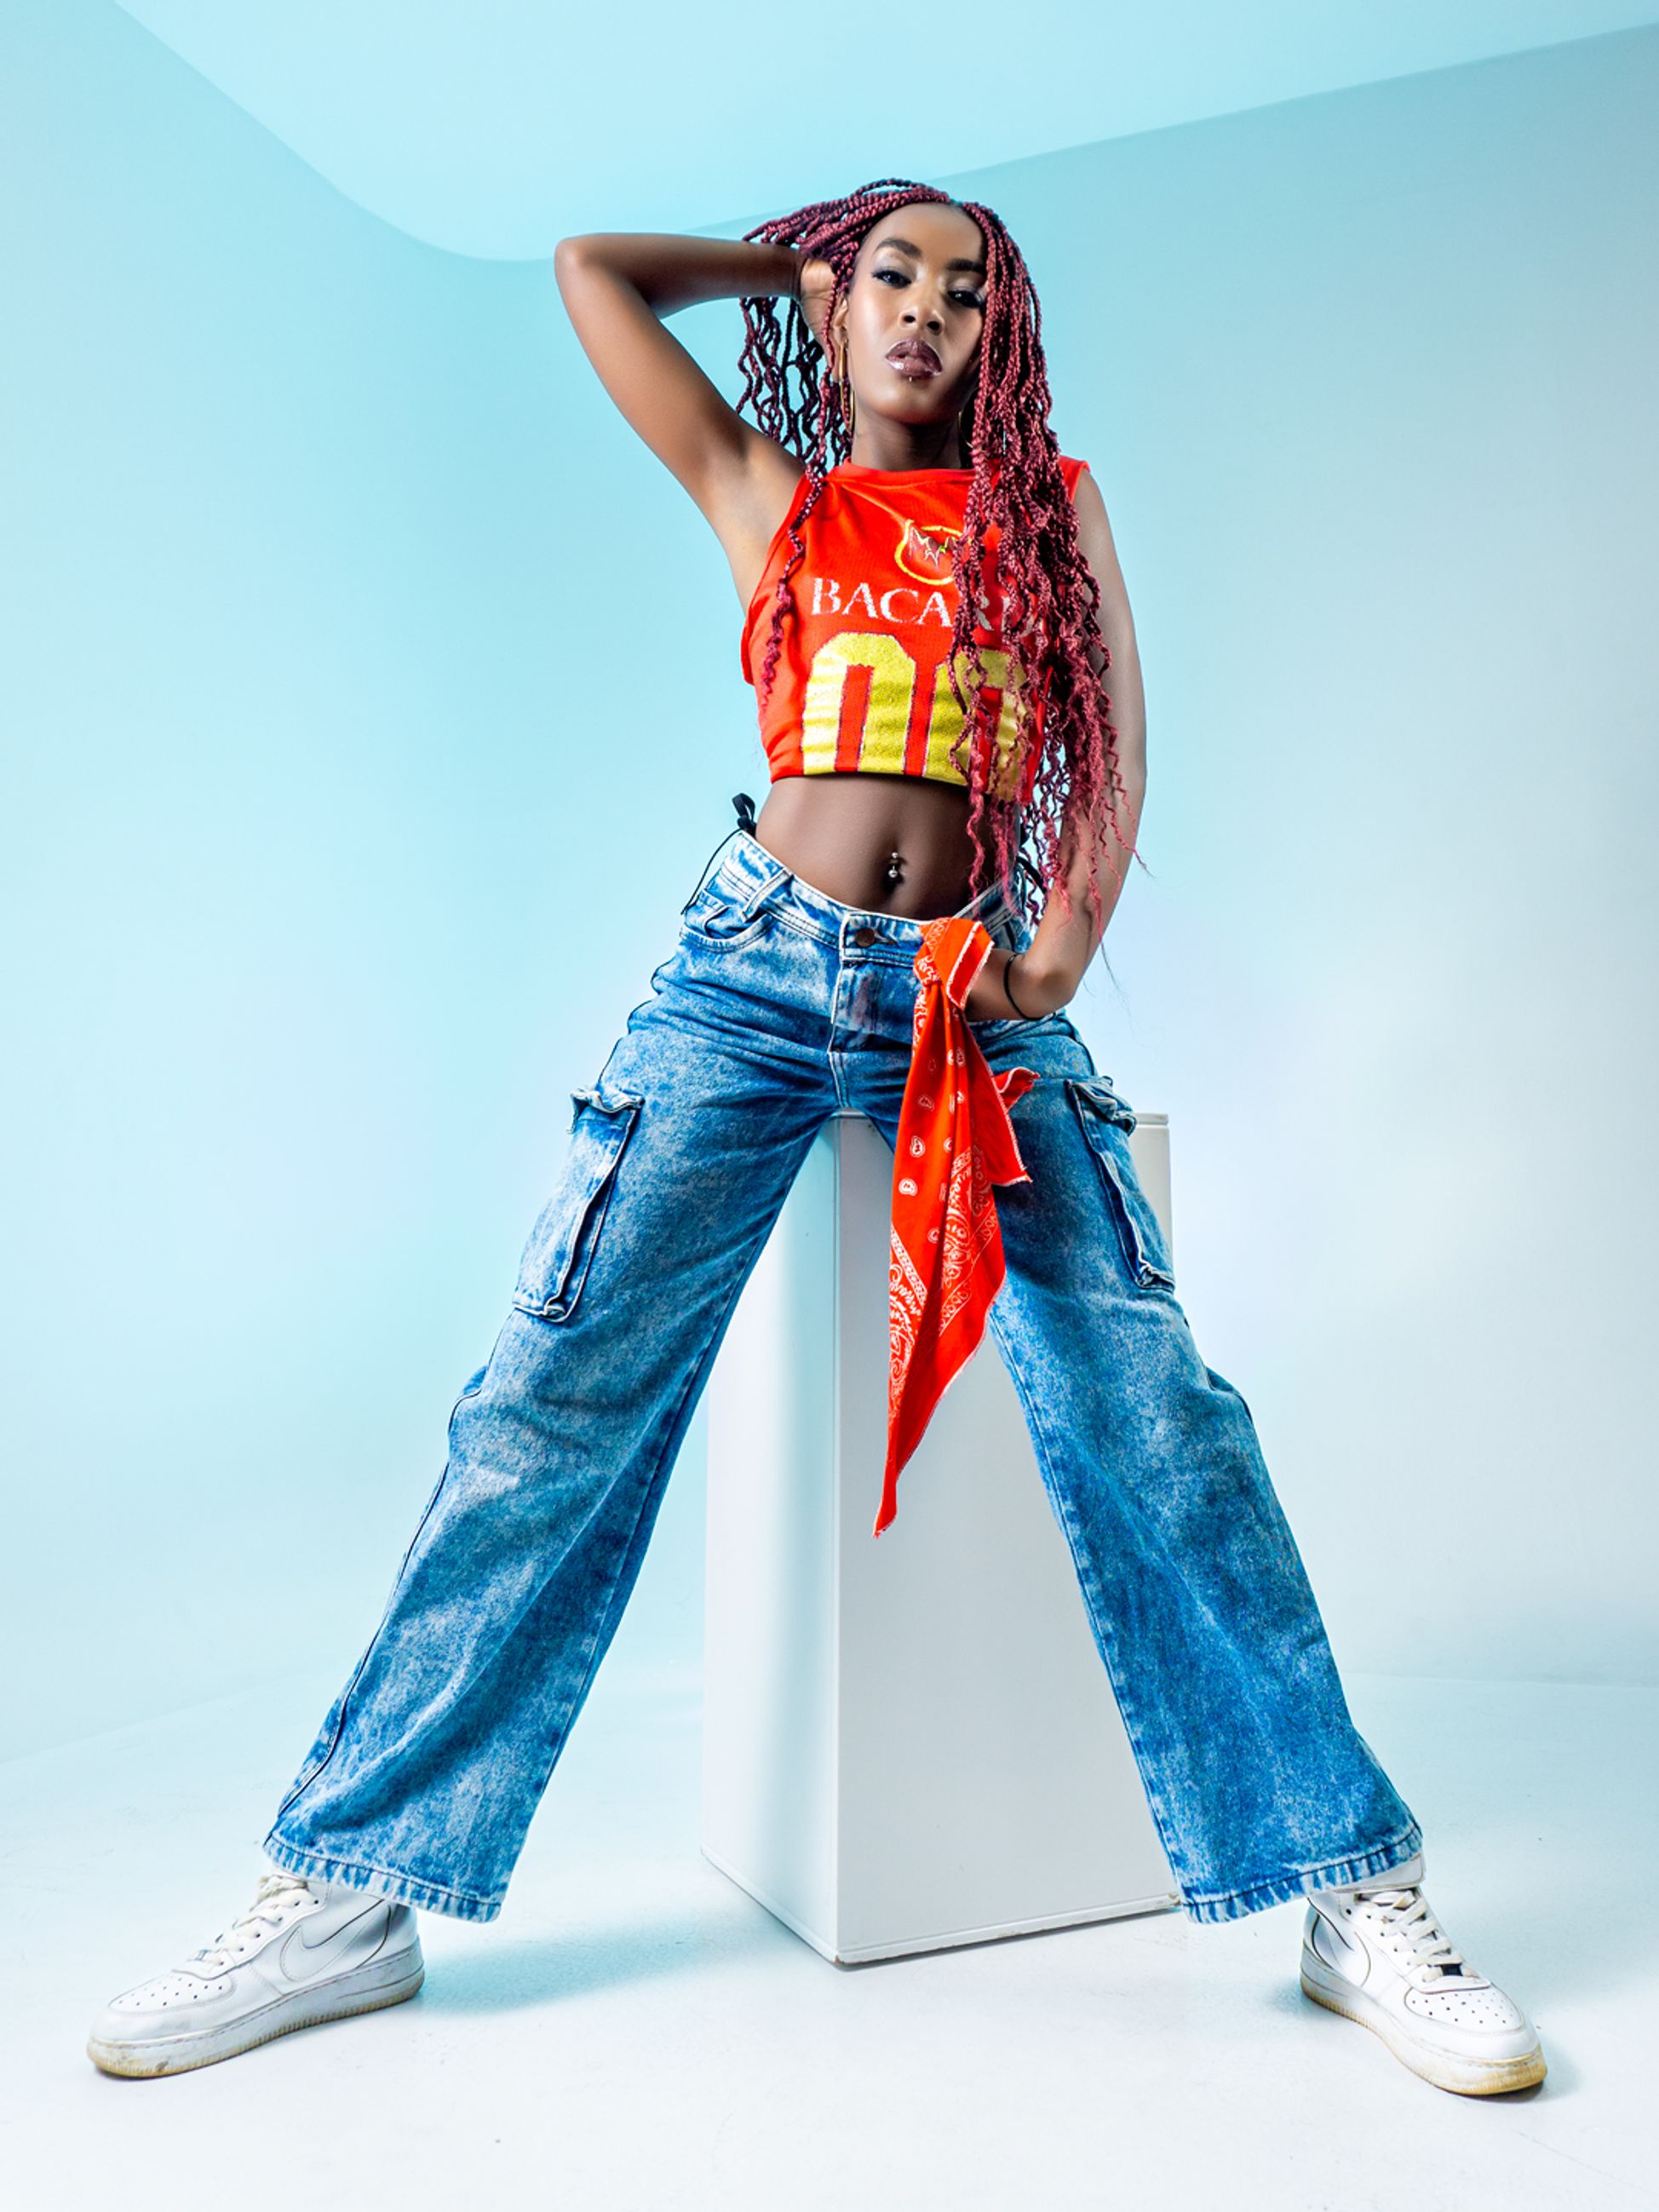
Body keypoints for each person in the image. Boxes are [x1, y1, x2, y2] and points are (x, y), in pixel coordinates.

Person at [87, 181, 1545, 2098]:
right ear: (837, 309)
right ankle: (349, 1890)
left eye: (966, 290)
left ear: (1004, 339)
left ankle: (1351, 1889)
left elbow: (1107, 741)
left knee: (1156, 1408)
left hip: (970, 1000)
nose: (925, 309)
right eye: (891, 278)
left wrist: (1061, 946)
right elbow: (592, 278)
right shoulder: (771, 497)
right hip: (753, 981)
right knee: (547, 1398)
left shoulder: (1048, 512)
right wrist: (786, 260)